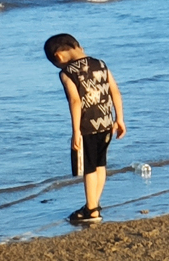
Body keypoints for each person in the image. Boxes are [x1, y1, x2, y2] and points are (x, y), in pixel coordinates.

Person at [44, 33, 127, 226]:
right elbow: (114, 90)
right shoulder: (101, 64)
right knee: (100, 164)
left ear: (58, 56)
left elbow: (74, 101)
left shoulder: (67, 73)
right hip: (106, 123)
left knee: (89, 166)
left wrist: (75, 131)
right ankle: (94, 203)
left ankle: (91, 209)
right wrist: (119, 119)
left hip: (87, 126)